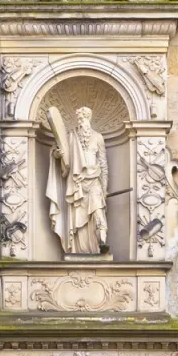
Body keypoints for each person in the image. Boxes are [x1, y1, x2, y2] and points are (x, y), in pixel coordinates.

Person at [46, 105, 108, 254]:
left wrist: (105, 189)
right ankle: (77, 250)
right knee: (78, 220)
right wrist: (58, 154)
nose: (81, 121)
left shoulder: (98, 137)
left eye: (84, 118)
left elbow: (104, 164)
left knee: (98, 212)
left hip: (94, 182)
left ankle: (102, 244)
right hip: (76, 184)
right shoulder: (70, 136)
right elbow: (60, 154)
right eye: (79, 118)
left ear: (89, 119)